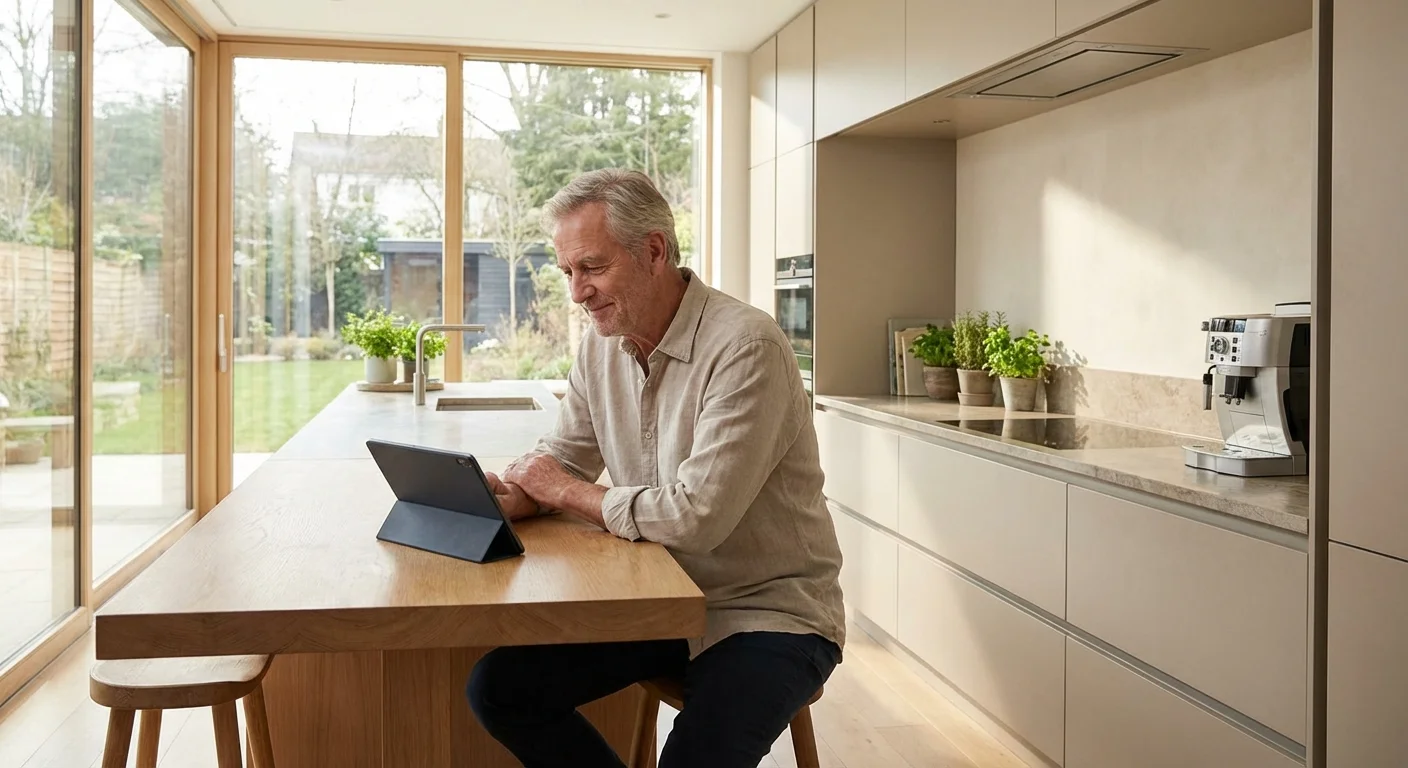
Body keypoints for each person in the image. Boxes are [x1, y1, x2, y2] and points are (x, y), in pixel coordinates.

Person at [466, 168, 846, 768]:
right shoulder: (601, 344)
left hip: (765, 612)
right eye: (568, 272)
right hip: (657, 599)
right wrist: (518, 495)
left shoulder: (747, 348)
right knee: (497, 688)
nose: (577, 292)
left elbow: (696, 516)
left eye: (591, 267)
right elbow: (565, 456)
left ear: (653, 250)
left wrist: (562, 490)